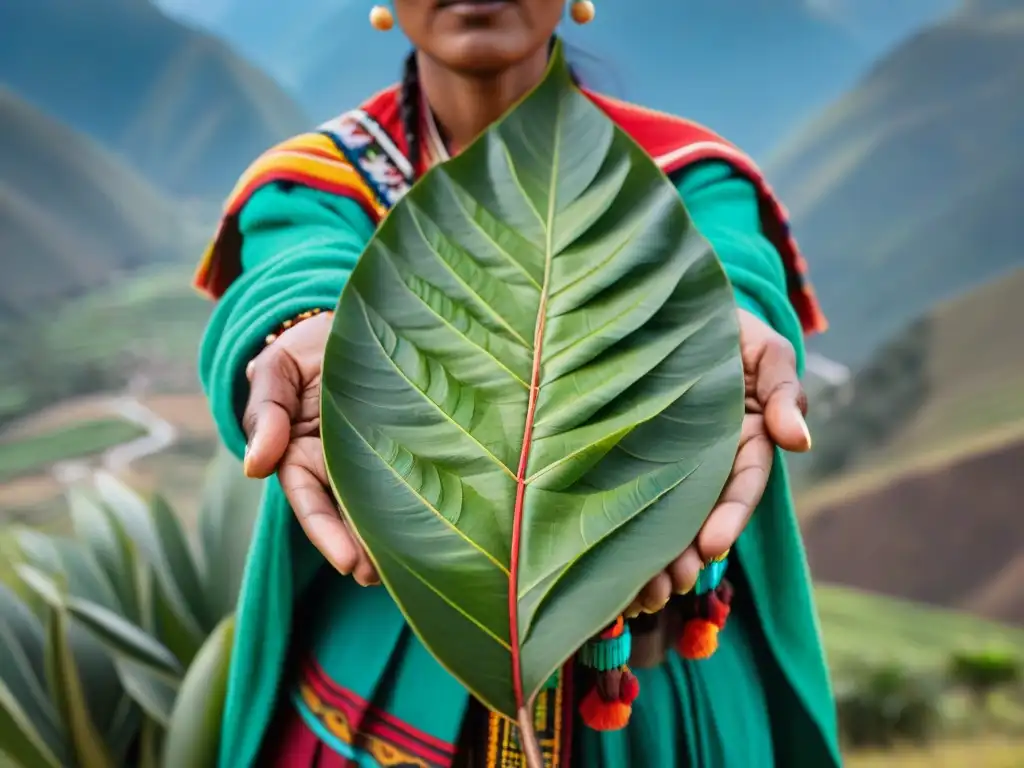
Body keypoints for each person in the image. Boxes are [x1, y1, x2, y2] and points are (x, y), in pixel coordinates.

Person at [195, 1, 839, 765]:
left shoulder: (693, 176)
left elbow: (734, 269)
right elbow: (292, 275)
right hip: (388, 687)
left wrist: (716, 331)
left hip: (652, 700)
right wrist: (298, 333)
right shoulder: (312, 186)